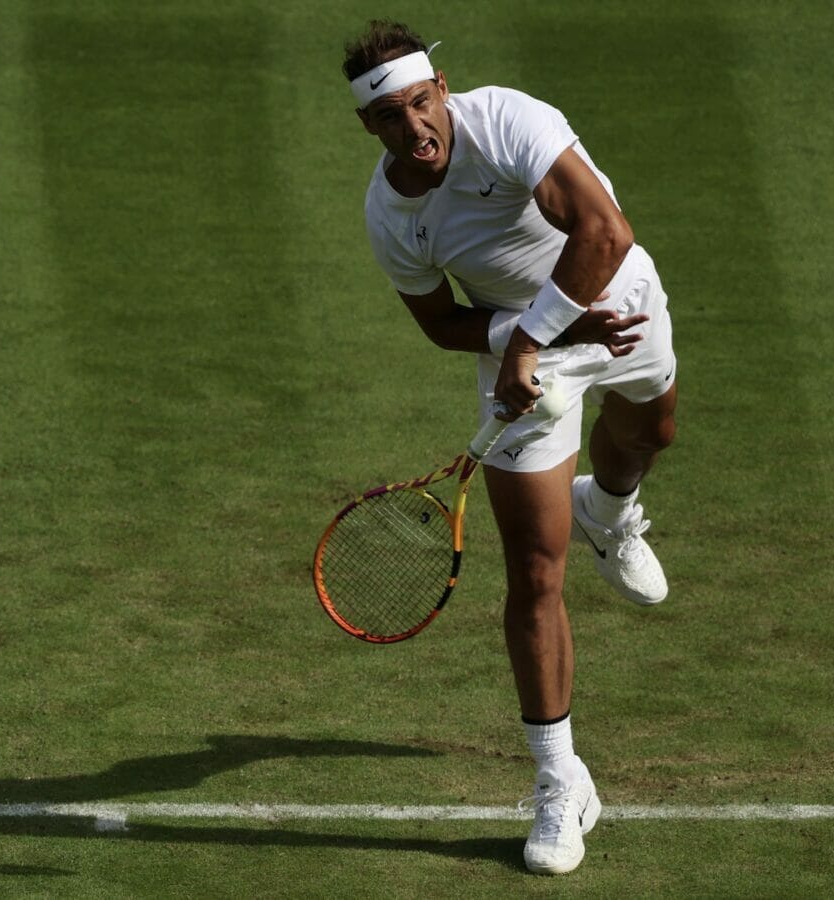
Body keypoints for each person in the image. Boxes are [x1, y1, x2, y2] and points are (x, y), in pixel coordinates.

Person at [342, 21, 679, 876]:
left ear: (442, 89)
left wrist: (535, 336)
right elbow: (441, 324)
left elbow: (602, 232)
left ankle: (609, 508)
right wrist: (521, 342)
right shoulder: (390, 215)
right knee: (534, 569)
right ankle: (559, 777)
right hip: (519, 349)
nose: (413, 125)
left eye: (421, 101)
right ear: (369, 127)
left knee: (651, 432)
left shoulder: (509, 121)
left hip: (617, 303)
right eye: (390, 116)